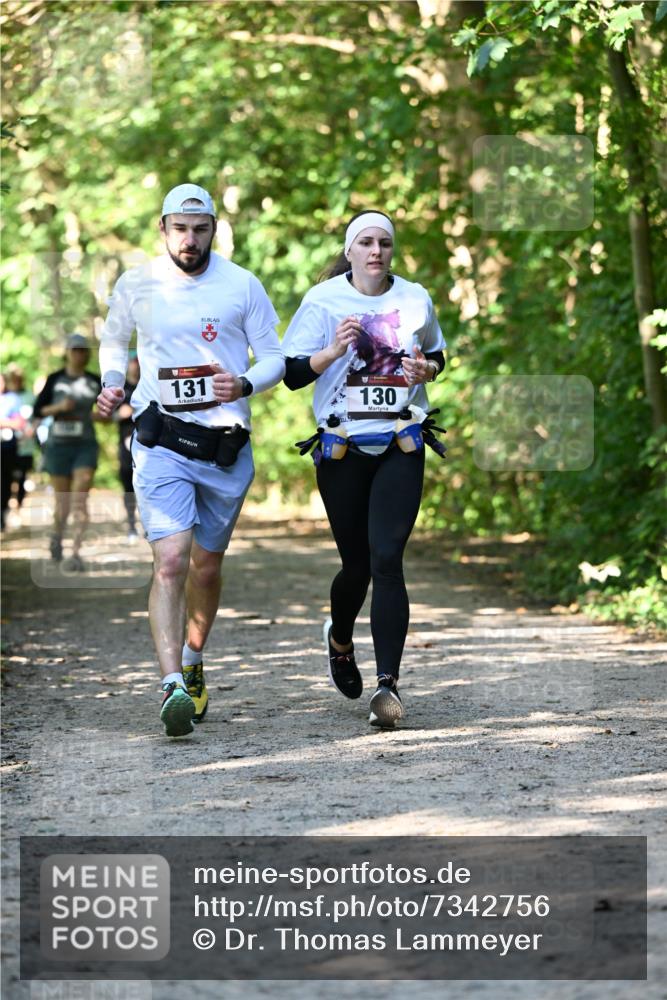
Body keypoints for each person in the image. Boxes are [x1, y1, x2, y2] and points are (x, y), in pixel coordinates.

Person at [97, 183, 284, 738]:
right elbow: (114, 341)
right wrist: (112, 382)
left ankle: (194, 657)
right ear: (163, 228)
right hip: (160, 440)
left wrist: (244, 382)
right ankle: (171, 683)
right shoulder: (137, 283)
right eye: (180, 228)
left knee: (206, 566)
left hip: (224, 445)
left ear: (214, 230)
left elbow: (274, 357)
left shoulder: (241, 284)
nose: (190, 239)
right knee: (171, 561)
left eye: (200, 229)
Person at [282, 210, 446, 728]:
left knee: (387, 560)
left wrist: (427, 370)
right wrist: (333, 350)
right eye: (367, 242)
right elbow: (291, 374)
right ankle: (339, 639)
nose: (377, 251)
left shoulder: (415, 298)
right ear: (349, 250)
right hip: (343, 447)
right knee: (356, 566)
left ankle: (387, 686)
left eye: (385, 243)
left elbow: (437, 355)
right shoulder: (322, 300)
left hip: (401, 441)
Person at [32, 334, 102, 569]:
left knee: (80, 498)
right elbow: (38, 410)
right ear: (67, 353)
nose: (79, 354)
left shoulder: (95, 381)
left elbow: (108, 412)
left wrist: (102, 416)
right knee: (62, 502)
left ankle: (76, 553)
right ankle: (57, 536)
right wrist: (59, 407)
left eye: (83, 350)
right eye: (75, 349)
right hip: (58, 447)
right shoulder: (55, 379)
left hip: (85, 445)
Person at [113, 351, 140, 540]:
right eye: (133, 362)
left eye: (138, 361)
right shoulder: (121, 389)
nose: (136, 365)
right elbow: (107, 415)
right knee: (128, 486)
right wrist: (120, 414)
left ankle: (151, 525)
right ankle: (131, 525)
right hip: (126, 447)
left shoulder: (150, 384)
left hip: (152, 445)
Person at [0, 372, 22, 531]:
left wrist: (4, 423)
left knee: (6, 482)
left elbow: (19, 422)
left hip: (7, 447)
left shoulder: (12, 399)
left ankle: (2, 514)